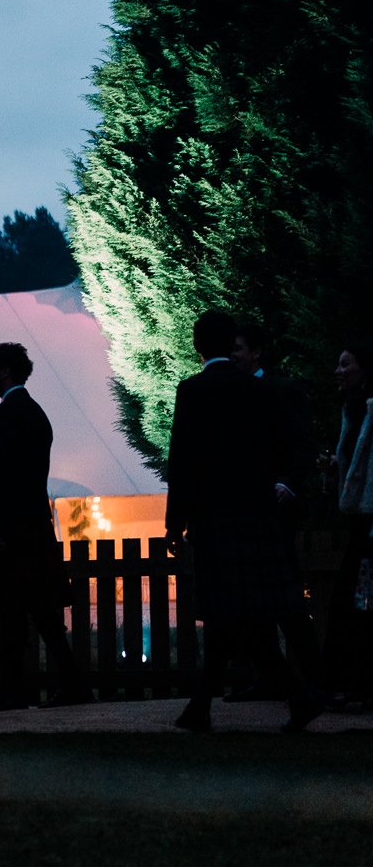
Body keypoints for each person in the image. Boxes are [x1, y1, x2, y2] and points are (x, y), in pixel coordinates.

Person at [165, 310, 320, 733]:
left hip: (215, 515)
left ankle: (205, 707)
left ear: (197, 345)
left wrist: (174, 521)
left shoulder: (193, 390)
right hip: (256, 514)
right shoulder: (256, 390)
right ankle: (286, 697)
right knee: (241, 613)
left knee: (229, 611)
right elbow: (270, 449)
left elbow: (183, 459)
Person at [0, 342, 85, 712]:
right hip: (32, 526)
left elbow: (6, 478)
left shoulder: (9, 414)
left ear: (5, 371)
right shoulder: (32, 412)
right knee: (39, 611)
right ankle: (68, 683)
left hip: (14, 530)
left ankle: (12, 691)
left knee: (12, 613)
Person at [226, 321, 323, 701]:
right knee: (258, 599)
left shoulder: (283, 390)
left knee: (284, 597)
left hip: (276, 507)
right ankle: (274, 676)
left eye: (238, 348)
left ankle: (311, 677)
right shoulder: (234, 394)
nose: (232, 355)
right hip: (247, 508)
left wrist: (288, 483)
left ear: (256, 352)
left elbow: (302, 441)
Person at [321, 339, 373, 705]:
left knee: (361, 599)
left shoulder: (366, 410)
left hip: (369, 524)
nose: (338, 371)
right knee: (358, 599)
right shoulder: (352, 410)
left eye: (346, 364)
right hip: (360, 521)